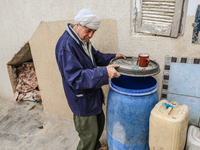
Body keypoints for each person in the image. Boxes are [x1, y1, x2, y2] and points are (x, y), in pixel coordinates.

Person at [55, 9, 126, 150]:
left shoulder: (82, 40)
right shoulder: (67, 46)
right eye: (88, 31)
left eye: (94, 32)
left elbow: (95, 56)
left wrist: (113, 57)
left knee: (98, 125)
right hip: (81, 99)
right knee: (88, 135)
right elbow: (76, 78)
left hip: (92, 94)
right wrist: (105, 72)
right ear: (78, 24)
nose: (90, 35)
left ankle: (96, 147)